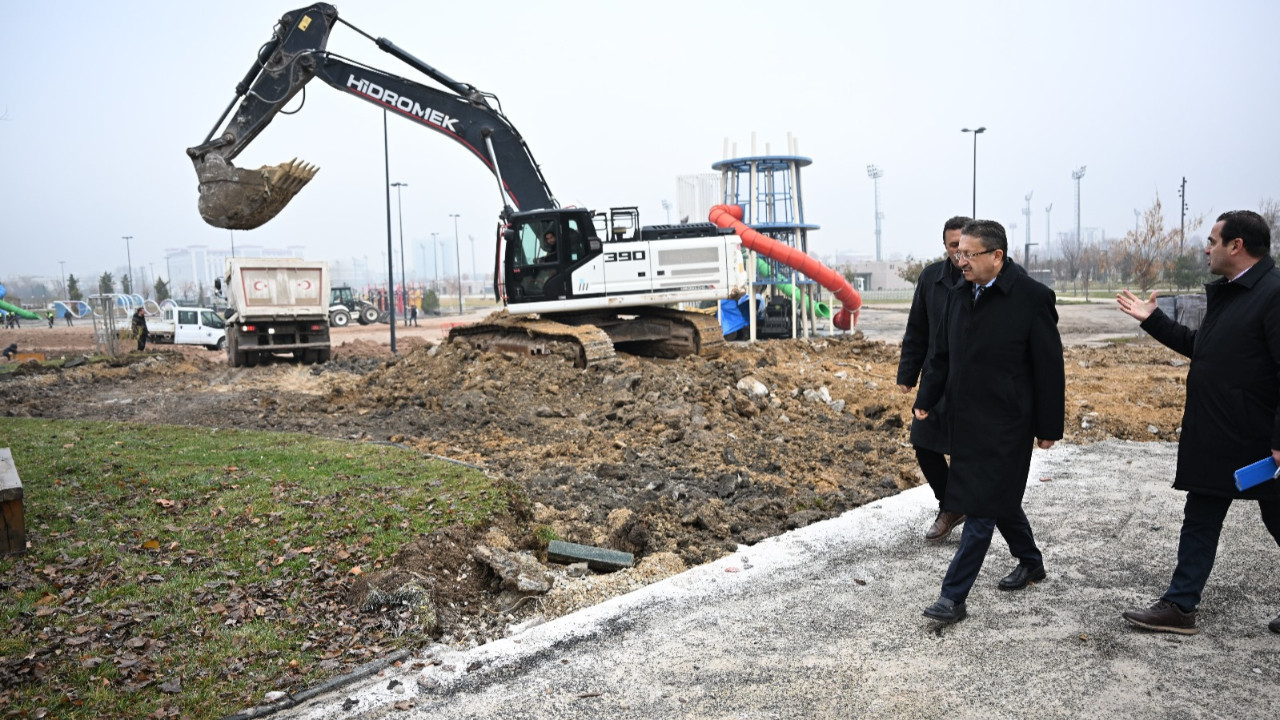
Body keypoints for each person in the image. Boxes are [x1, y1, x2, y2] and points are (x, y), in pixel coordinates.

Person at [1117, 210, 1280, 636]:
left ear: (1236, 246)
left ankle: (1179, 603)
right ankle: (1180, 605)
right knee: (1201, 516)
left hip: (1259, 439)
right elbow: (1204, 349)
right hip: (1220, 435)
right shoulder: (1233, 293)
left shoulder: (1273, 294)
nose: (1206, 249)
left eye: (1212, 241)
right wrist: (1153, 319)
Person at [913, 219, 1065, 624]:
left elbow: (1049, 368)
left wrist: (1049, 427)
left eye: (969, 254)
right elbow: (940, 354)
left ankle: (953, 597)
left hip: (1008, 423)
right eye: (957, 252)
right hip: (965, 418)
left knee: (979, 506)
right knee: (1000, 498)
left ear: (997, 256)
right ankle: (1031, 562)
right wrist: (926, 399)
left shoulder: (1032, 298)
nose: (960, 260)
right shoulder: (959, 294)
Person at [897, 216, 970, 540]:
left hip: (973, 380)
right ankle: (951, 505)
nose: (959, 252)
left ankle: (969, 509)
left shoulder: (982, 279)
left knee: (968, 449)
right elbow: (917, 328)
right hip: (936, 379)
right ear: (945, 246)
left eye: (964, 245)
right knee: (923, 441)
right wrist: (908, 374)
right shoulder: (931, 278)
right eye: (953, 245)